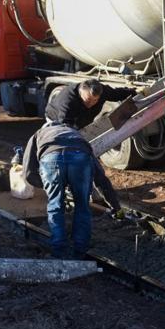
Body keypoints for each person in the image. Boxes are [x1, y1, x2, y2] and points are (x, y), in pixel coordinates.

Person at [45, 79, 136, 218]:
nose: (90, 104)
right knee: (69, 159)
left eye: (94, 101)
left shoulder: (102, 91)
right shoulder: (67, 100)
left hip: (80, 124)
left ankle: (110, 203)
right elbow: (65, 128)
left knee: (95, 169)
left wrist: (134, 92)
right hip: (58, 122)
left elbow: (117, 94)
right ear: (80, 92)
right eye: (87, 100)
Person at [23, 123, 94, 259]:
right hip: (81, 157)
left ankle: (58, 252)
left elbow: (28, 172)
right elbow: (100, 176)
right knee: (82, 206)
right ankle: (80, 253)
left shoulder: (39, 133)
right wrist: (114, 205)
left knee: (55, 206)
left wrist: (49, 186)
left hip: (51, 158)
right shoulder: (76, 135)